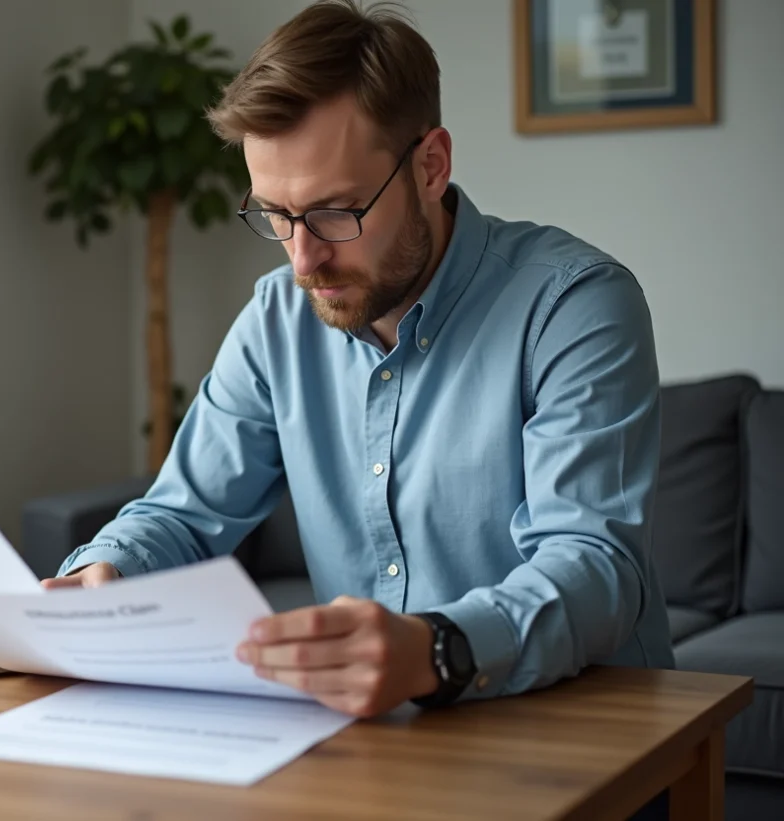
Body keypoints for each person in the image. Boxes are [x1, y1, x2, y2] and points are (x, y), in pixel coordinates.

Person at [42, 0, 674, 721]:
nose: (304, 258)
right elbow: (185, 515)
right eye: (276, 215)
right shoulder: (278, 317)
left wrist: (434, 648)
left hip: (591, 730)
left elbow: (594, 567)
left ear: (430, 165)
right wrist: (108, 571)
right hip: (377, 741)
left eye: (337, 211)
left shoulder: (575, 304)